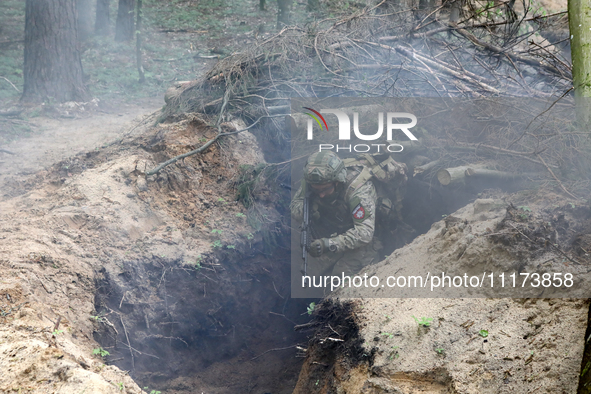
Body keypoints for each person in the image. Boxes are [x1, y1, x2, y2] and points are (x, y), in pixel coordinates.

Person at [290, 151, 382, 277]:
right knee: (310, 274)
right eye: (316, 190)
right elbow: (295, 206)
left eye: (325, 189)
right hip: (335, 229)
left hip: (365, 239)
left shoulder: (358, 189)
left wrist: (328, 244)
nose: (321, 194)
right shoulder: (312, 181)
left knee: (339, 278)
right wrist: (309, 208)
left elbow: (364, 233)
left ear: (338, 181)